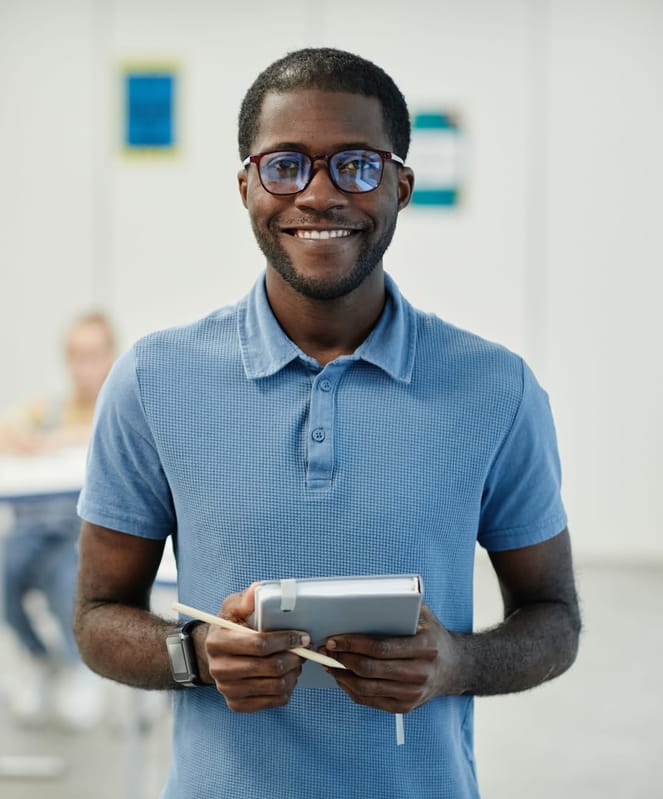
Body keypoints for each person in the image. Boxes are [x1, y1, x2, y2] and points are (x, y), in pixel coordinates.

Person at [74, 48, 580, 798]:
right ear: (246, 185)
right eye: (284, 165)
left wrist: (455, 665)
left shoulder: (494, 389)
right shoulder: (152, 379)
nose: (318, 194)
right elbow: (94, 616)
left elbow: (554, 618)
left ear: (401, 186)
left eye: (355, 165)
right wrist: (199, 653)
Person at [0, 312, 117, 729]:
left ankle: (79, 667)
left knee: (69, 578)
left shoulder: (119, 406)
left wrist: (69, 440)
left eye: (91, 355)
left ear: (110, 356)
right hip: (30, 530)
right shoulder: (46, 409)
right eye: (74, 355)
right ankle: (38, 657)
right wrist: (20, 442)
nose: (82, 365)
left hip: (85, 535)